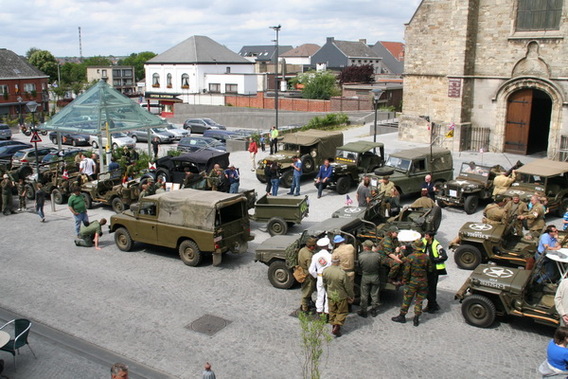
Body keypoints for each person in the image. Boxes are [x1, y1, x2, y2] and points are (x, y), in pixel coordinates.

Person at [392, 239, 432, 326]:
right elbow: (430, 270)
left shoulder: (410, 257)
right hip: (423, 282)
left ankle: (402, 316)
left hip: (412, 282)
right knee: (419, 300)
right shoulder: (427, 257)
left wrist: (404, 280)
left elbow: (406, 271)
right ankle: (416, 318)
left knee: (407, 299)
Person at [322, 254, 354, 337]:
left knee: (332, 311)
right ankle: (337, 326)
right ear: (339, 262)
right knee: (342, 311)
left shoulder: (325, 271)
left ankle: (333, 325)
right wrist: (351, 295)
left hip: (330, 295)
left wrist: (327, 291)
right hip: (341, 296)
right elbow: (347, 286)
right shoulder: (342, 273)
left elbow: (324, 283)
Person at [422, 231, 447, 313]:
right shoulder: (424, 241)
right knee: (427, 288)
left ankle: (432, 306)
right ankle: (433, 305)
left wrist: (433, 260)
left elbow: (444, 256)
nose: (425, 235)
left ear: (431, 236)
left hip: (434, 270)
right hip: (427, 269)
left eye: (427, 235)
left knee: (431, 289)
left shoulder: (436, 244)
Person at [357, 240, 381, 318]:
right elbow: (380, 265)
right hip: (375, 276)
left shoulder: (361, 256)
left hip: (365, 276)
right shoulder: (377, 255)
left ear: (366, 247)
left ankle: (363, 310)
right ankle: (374, 309)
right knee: (375, 293)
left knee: (364, 294)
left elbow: (359, 267)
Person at [308, 237, 332, 316]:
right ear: (327, 245)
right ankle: (326, 312)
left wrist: (316, 276)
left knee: (320, 294)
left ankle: (319, 311)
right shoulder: (330, 256)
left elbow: (311, 270)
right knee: (328, 295)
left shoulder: (315, 256)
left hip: (320, 276)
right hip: (329, 277)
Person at [298, 237, 317, 313]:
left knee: (305, 289)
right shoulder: (309, 256)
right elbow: (311, 269)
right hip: (308, 275)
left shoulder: (303, 250)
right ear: (312, 246)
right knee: (307, 291)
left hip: (302, 271)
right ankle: (304, 308)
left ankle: (306, 303)